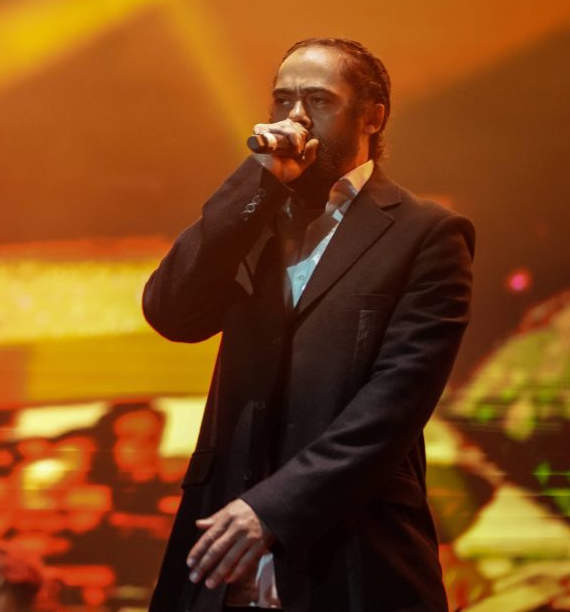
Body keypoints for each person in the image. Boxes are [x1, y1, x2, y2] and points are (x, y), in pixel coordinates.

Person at [143, 38, 474, 611]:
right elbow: (171, 311)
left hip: (349, 552)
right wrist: (256, 184)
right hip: (222, 553)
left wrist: (274, 508)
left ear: (372, 117)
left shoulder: (426, 235)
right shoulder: (253, 220)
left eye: (318, 100)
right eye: (282, 100)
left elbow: (395, 402)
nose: (294, 117)